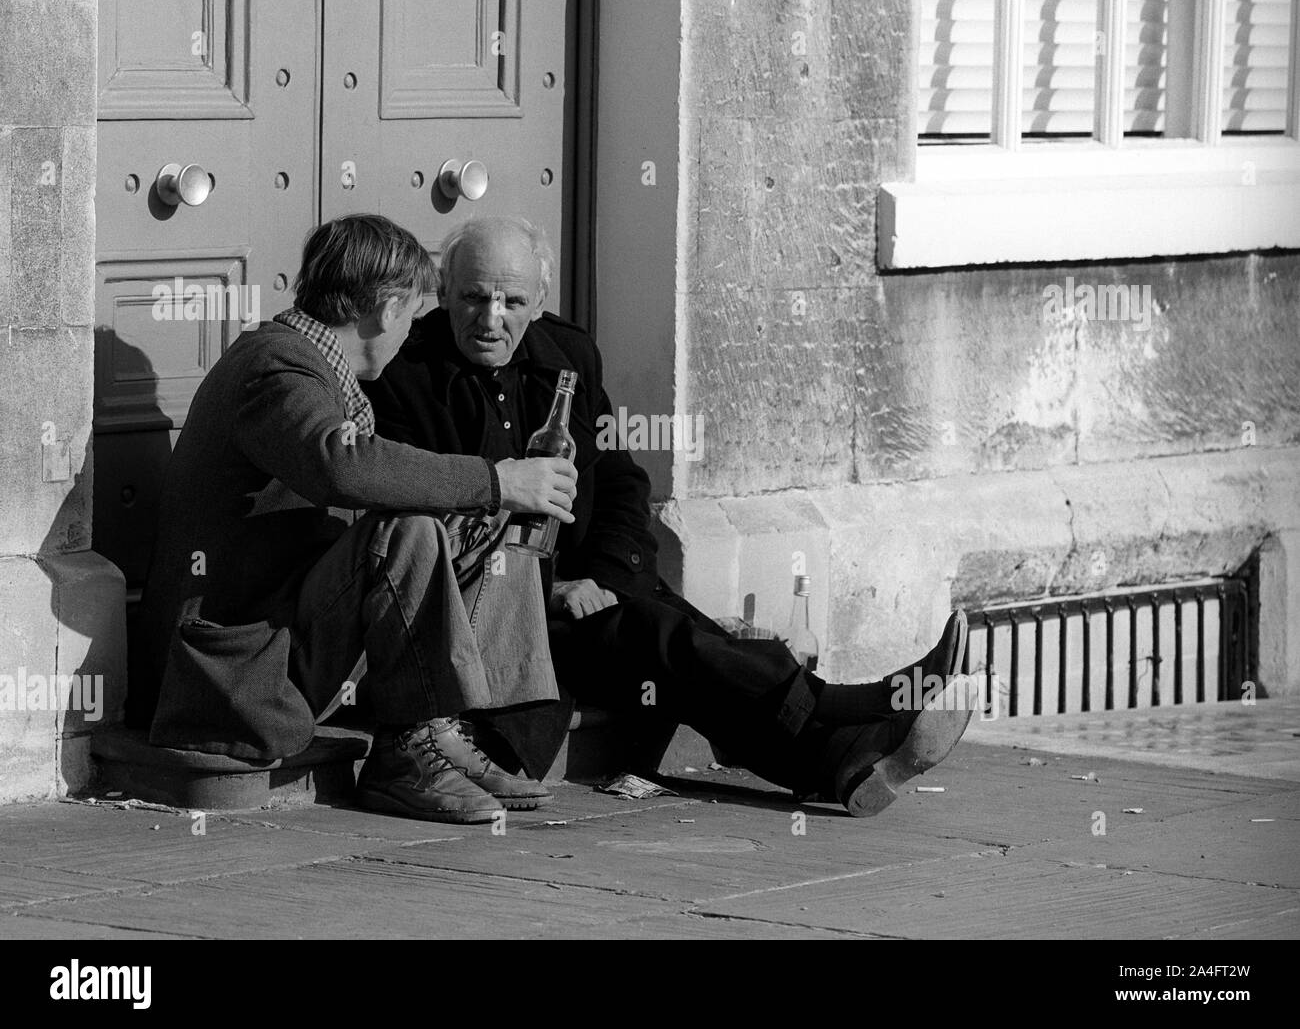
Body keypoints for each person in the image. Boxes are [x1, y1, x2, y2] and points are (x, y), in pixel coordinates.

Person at [363, 216, 979, 817]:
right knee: (665, 640)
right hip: (489, 624)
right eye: (472, 297)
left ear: (540, 298)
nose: (492, 319)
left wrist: (603, 577)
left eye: (513, 300)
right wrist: (548, 591)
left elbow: (622, 484)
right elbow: (421, 535)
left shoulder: (567, 356)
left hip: (592, 599)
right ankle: (846, 712)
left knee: (669, 641)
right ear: (443, 291)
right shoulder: (405, 378)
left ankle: (841, 762)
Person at [132, 214, 581, 824]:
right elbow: (340, 466)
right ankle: (406, 754)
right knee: (412, 531)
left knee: (474, 524)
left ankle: (447, 734)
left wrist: (486, 504)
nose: (411, 331)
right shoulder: (275, 367)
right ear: (389, 308)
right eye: (414, 311)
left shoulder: (308, 364)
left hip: (281, 633)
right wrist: (496, 480)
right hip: (226, 680)